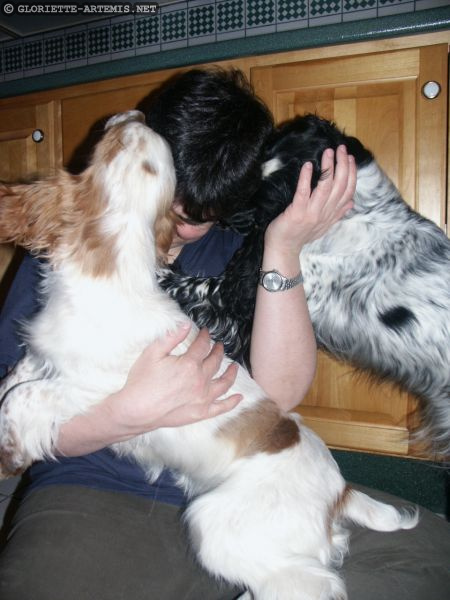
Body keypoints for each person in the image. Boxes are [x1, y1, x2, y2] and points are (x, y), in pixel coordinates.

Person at [0, 69, 448, 600]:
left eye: (204, 215)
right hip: (97, 485)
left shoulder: (244, 247)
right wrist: (124, 414)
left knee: (431, 555)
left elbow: (280, 395)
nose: (181, 227)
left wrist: (283, 247)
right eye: (173, 203)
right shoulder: (70, 243)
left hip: (245, 487)